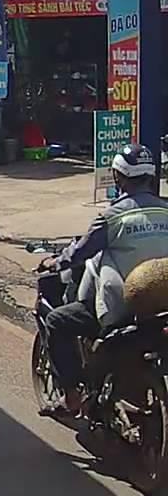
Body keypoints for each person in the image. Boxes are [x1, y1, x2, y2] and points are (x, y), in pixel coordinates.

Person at [40, 143, 168, 416]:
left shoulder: (112, 217)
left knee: (57, 321)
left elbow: (79, 253)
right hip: (162, 308)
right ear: (150, 176)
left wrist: (55, 262)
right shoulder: (166, 211)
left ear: (119, 177)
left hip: (123, 309)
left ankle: (72, 397)